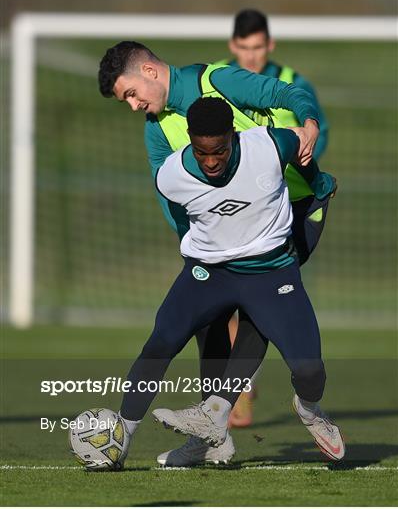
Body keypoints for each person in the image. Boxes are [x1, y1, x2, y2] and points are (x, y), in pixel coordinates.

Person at [98, 40, 328, 467]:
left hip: (292, 211)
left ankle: (230, 420)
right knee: (204, 321)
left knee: (258, 309)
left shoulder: (216, 80)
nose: (133, 106)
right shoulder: (156, 130)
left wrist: (310, 126)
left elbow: (286, 94)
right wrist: (202, 255)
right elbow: (174, 204)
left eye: (130, 93)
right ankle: (210, 433)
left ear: (149, 71)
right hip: (225, 240)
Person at [216, 9, 330, 427]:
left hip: (289, 207)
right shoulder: (218, 82)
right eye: (243, 48)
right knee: (229, 302)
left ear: (270, 45)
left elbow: (318, 136)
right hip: (237, 210)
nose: (250, 56)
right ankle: (239, 394)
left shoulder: (294, 85)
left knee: (261, 301)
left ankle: (253, 392)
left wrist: (286, 163)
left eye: (257, 47)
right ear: (233, 46)